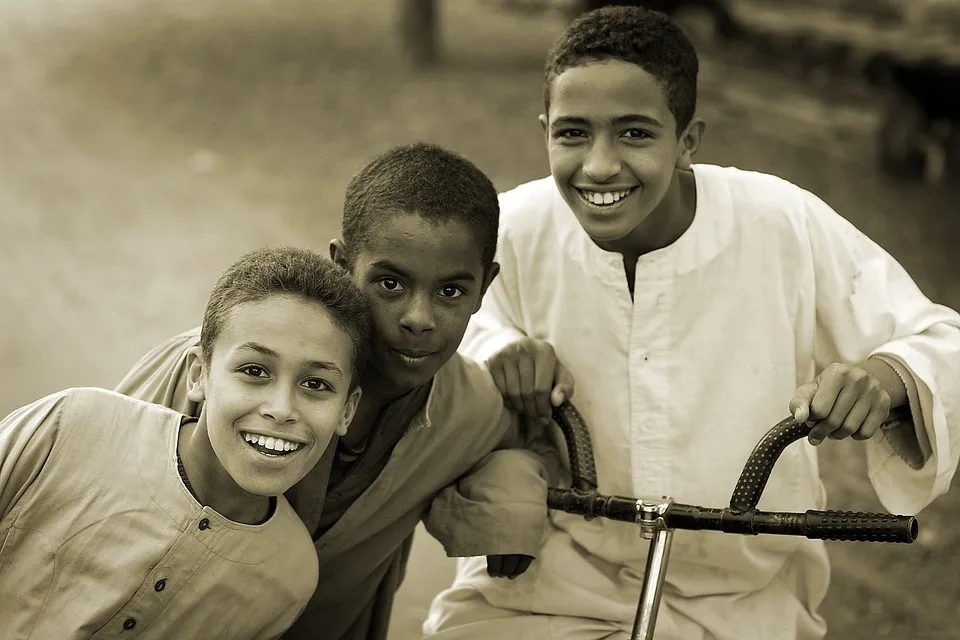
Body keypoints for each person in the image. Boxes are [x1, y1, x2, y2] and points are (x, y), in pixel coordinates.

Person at [423, 6, 960, 640]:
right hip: (542, 584)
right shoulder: (510, 228)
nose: (599, 165)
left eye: (635, 134)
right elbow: (436, 338)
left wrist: (884, 377)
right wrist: (502, 352)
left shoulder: (779, 222)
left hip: (740, 596)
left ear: (688, 142)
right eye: (572, 133)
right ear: (544, 131)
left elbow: (938, 341)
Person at [113, 143, 561, 640]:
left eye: (451, 291)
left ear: (485, 287)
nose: (418, 318)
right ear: (343, 265)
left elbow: (525, 443)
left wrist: (510, 500)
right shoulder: (221, 369)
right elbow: (93, 475)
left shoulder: (470, 407)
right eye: (390, 283)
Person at [0, 246, 371, 639]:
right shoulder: (71, 427)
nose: (281, 409)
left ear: (346, 411)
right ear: (199, 375)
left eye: (316, 384)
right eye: (254, 370)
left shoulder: (292, 574)